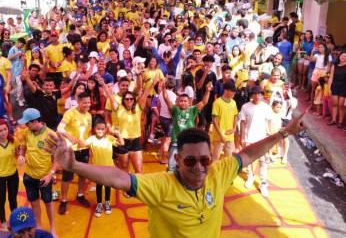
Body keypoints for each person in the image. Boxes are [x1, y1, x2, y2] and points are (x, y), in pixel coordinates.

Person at [45, 111, 306, 238]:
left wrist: (285, 133)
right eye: (191, 160)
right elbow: (119, 178)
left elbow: (248, 154)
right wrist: (75, 166)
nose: (200, 167)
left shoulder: (219, 172)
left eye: (205, 159)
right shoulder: (162, 186)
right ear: (177, 160)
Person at [17, 108, 57, 237]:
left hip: (44, 177)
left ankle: (52, 229)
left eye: (27, 123)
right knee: (34, 203)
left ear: (35, 121)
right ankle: (38, 227)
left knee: (48, 204)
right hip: (29, 175)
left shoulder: (51, 135)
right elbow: (23, 147)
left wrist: (50, 174)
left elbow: (58, 158)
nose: (25, 125)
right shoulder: (27, 132)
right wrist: (21, 155)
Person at [161, 80, 213, 171]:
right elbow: (166, 99)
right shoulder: (175, 110)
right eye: (181, 101)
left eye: (185, 101)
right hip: (176, 142)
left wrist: (208, 90)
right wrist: (163, 88)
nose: (183, 103)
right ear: (177, 102)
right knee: (172, 166)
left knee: (187, 165)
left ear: (189, 103)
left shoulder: (193, 110)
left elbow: (204, 102)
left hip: (189, 143)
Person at [77, 119, 124, 217]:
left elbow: (122, 143)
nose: (100, 131)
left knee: (107, 186)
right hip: (97, 170)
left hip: (109, 168)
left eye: (103, 129)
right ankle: (99, 203)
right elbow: (81, 144)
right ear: (94, 129)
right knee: (99, 186)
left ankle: (107, 202)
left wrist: (118, 134)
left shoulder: (110, 138)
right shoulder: (92, 139)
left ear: (106, 129)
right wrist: (81, 132)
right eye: (98, 129)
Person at [57, 91, 93, 214]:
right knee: (67, 177)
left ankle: (81, 195)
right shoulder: (70, 113)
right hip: (71, 151)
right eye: (84, 103)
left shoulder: (89, 116)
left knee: (82, 174)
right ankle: (64, 200)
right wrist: (69, 137)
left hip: (84, 150)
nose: (87, 104)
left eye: (89, 102)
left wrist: (89, 145)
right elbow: (60, 128)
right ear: (78, 102)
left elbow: (89, 133)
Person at [239, 86, 272, 197]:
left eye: (259, 94)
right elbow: (242, 122)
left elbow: (269, 123)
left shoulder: (266, 108)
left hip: (262, 139)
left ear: (262, 95)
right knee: (249, 161)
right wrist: (242, 137)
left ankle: (263, 183)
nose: (257, 96)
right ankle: (250, 176)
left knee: (263, 162)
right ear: (251, 95)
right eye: (254, 94)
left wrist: (270, 138)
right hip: (249, 138)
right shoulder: (245, 107)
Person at [211, 80, 238, 161]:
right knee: (215, 159)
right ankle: (214, 173)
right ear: (226, 90)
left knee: (229, 159)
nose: (234, 93)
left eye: (234, 92)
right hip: (219, 137)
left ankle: (227, 173)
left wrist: (234, 128)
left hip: (230, 136)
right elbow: (214, 121)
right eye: (232, 91)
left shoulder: (233, 102)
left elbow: (235, 116)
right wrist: (221, 135)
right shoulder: (217, 102)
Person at [328, 47, 346, 129]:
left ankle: (340, 122)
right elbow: (331, 77)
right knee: (335, 104)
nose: (343, 58)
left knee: (341, 105)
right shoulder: (334, 66)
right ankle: (334, 120)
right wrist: (329, 87)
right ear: (339, 57)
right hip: (335, 85)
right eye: (342, 56)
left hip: (344, 87)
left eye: (345, 56)